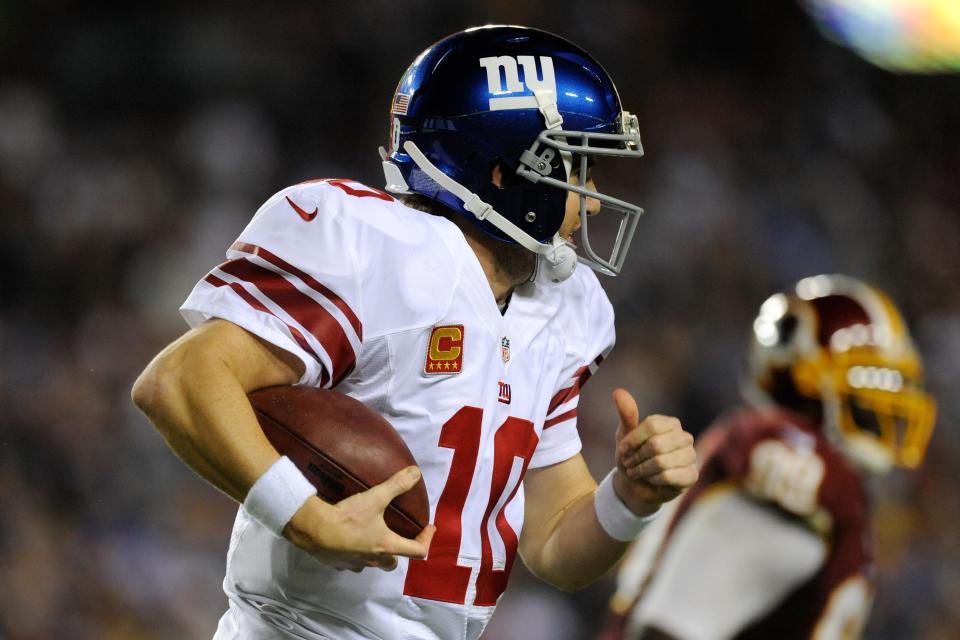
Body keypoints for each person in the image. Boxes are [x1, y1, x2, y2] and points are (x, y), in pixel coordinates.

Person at [132, 25, 698, 640]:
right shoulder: (376, 246)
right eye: (579, 169)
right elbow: (179, 380)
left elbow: (556, 544)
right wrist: (303, 516)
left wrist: (630, 498)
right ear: (506, 173)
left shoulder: (568, 307)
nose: (591, 201)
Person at [601, 274, 937, 640]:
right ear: (805, 376)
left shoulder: (827, 486)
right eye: (868, 377)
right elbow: (670, 630)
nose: (884, 404)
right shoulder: (795, 470)